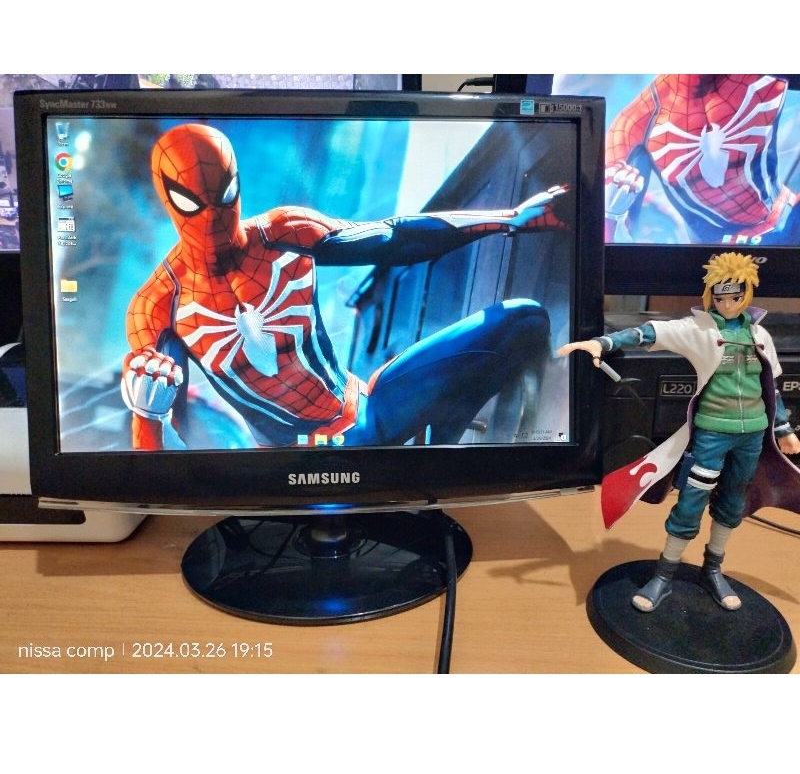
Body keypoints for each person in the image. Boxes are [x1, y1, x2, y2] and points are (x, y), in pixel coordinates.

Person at [122, 123, 569, 451]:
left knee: (523, 320)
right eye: (192, 203)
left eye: (224, 195)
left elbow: (395, 237)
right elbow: (172, 432)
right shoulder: (159, 305)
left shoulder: (284, 233)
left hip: (364, 412)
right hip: (291, 463)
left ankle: (455, 454)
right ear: (169, 198)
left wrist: (510, 219)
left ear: (236, 184)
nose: (213, 219)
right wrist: (147, 412)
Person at [558, 252, 800, 612]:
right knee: (691, 501)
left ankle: (713, 570)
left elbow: (771, 387)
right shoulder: (699, 330)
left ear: (747, 294)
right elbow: (649, 332)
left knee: (733, 502)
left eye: (736, 297)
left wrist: (783, 428)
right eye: (720, 297)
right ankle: (664, 574)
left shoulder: (760, 334)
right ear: (710, 295)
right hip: (712, 435)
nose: (728, 304)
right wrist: (603, 343)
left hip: (752, 436)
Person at [604, 74, 799, 246]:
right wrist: (611, 215)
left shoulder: (766, 78)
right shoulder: (633, 124)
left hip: (787, 218)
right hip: (713, 258)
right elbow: (610, 242)